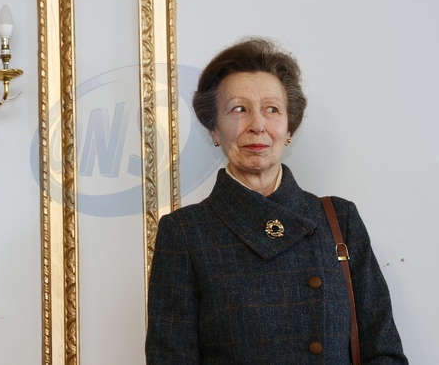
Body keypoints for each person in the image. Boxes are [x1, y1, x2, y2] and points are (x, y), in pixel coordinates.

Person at [145, 38, 407, 364]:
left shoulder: (340, 219)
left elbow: (384, 351)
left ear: (289, 128)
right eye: (238, 110)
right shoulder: (184, 233)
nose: (257, 125)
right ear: (213, 129)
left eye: (272, 109)